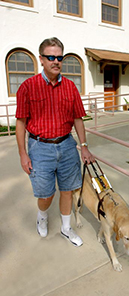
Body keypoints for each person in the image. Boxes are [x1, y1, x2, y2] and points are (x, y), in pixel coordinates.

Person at [15, 37, 95, 247]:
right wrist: (23, 153)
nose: (56, 61)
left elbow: (78, 118)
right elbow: (21, 123)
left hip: (67, 145)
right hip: (40, 147)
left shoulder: (70, 87)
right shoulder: (27, 87)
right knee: (46, 193)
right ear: (41, 59)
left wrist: (84, 147)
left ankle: (66, 228)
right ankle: (42, 215)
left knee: (68, 189)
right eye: (51, 57)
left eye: (59, 57)